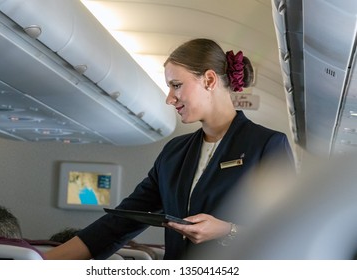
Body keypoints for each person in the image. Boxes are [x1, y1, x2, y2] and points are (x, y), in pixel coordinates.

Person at [45, 38, 295, 260]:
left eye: (176, 85)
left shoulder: (266, 145)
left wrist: (227, 230)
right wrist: (40, 264)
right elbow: (121, 222)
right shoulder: (175, 152)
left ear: (209, 80)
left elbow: (290, 230)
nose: (169, 98)